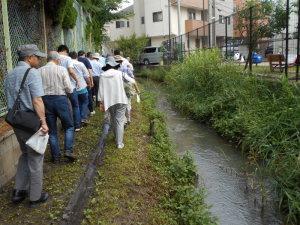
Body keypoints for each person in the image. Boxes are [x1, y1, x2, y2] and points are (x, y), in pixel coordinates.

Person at [4, 44, 49, 207]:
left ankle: (18, 192)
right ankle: (35, 197)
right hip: (30, 121)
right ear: (29, 57)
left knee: (25, 153)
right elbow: (37, 100)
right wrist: (43, 122)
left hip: (16, 121)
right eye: (37, 57)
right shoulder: (32, 73)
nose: (38, 60)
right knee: (36, 157)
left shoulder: (9, 74)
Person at [40, 51, 76, 163]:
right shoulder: (61, 69)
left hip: (45, 101)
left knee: (52, 131)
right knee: (69, 126)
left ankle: (55, 157)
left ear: (47, 59)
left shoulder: (39, 71)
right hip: (61, 100)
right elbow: (69, 88)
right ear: (57, 60)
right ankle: (68, 151)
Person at [98, 56, 136, 149]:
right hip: (121, 100)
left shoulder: (102, 75)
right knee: (120, 120)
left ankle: (116, 137)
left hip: (109, 101)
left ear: (107, 66)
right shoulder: (120, 73)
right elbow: (132, 81)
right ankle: (119, 143)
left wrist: (101, 102)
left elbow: (101, 91)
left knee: (113, 119)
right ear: (114, 65)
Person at [57, 45, 81, 131]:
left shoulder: (54, 59)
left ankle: (65, 126)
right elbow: (71, 71)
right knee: (75, 106)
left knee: (63, 107)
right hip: (70, 85)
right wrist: (77, 80)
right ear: (65, 51)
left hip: (60, 87)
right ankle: (77, 125)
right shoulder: (68, 59)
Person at [114, 55, 140, 125]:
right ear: (121, 61)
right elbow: (132, 79)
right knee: (128, 102)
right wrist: (137, 89)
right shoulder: (126, 68)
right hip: (128, 86)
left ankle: (123, 119)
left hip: (118, 87)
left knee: (120, 103)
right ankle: (128, 118)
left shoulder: (113, 70)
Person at [69, 51, 90, 124]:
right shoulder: (81, 64)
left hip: (71, 88)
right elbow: (86, 76)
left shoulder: (67, 64)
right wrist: (89, 83)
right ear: (76, 57)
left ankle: (76, 121)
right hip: (82, 86)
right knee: (84, 102)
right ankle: (83, 118)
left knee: (75, 105)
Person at [78, 50, 95, 115]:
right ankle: (91, 110)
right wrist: (91, 81)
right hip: (86, 80)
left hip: (77, 81)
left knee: (79, 100)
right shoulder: (85, 60)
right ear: (84, 54)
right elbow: (89, 71)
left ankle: (79, 113)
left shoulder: (75, 60)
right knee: (88, 96)